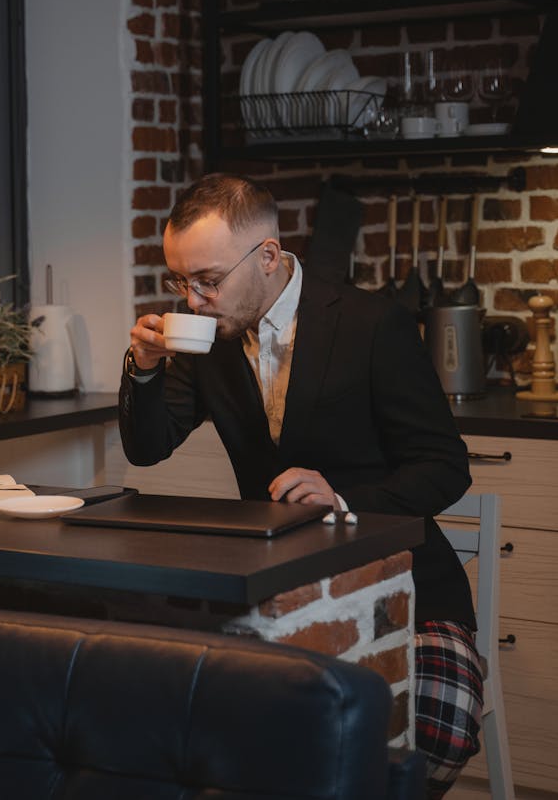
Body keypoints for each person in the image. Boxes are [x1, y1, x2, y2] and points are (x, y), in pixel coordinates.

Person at [120, 172, 483, 798]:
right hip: (273, 584)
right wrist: (144, 367)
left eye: (207, 280)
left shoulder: (374, 324)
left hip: (405, 583)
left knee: (430, 735)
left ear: (267, 256)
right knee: (204, 722)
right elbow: (148, 449)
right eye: (180, 281)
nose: (194, 300)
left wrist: (340, 500)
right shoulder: (206, 337)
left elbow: (444, 466)